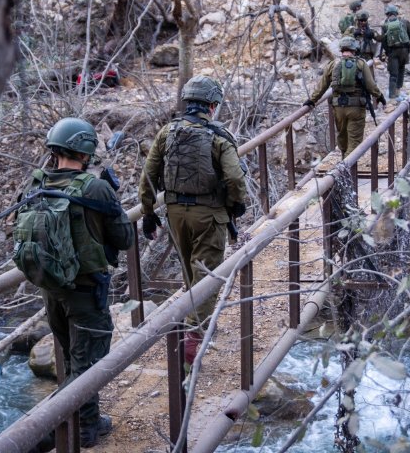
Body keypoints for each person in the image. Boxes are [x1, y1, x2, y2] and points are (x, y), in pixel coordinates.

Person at [23, 118, 134, 448]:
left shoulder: (37, 184)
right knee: (87, 366)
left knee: (73, 361)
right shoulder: (95, 188)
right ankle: (64, 432)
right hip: (86, 292)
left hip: (52, 288)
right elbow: (125, 238)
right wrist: (112, 199)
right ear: (85, 152)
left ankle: (86, 420)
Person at [138, 75, 247, 371]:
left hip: (175, 213)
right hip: (209, 213)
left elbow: (148, 175)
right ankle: (193, 343)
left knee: (190, 269)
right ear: (212, 105)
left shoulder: (167, 132)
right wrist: (237, 204)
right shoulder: (219, 136)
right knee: (207, 275)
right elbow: (235, 178)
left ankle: (195, 325)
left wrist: (148, 213)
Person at [303, 37, 386, 158]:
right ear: (354, 49)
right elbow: (371, 85)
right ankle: (345, 167)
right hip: (356, 109)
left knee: (343, 139)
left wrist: (312, 100)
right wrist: (380, 96)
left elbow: (322, 86)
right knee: (354, 143)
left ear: (341, 49)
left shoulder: (332, 64)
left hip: (339, 109)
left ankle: (344, 166)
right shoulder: (361, 63)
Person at [377, 5, 410, 100]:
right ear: (396, 13)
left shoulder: (385, 25)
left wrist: (387, 52)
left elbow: (384, 41)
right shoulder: (404, 22)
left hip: (393, 52)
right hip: (404, 51)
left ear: (387, 14)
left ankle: (392, 97)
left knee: (393, 75)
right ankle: (398, 91)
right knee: (401, 70)